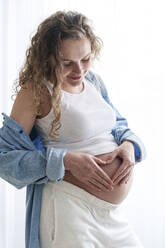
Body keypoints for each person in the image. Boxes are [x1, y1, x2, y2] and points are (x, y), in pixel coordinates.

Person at [0, 10, 146, 248]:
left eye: (85, 59)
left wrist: (130, 147)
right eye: (67, 63)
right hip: (68, 208)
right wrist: (65, 160)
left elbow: (118, 126)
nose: (79, 70)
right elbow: (4, 158)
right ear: (48, 58)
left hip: (110, 215)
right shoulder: (36, 92)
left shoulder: (94, 82)